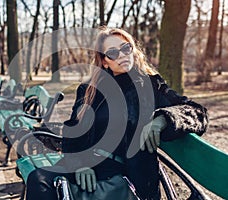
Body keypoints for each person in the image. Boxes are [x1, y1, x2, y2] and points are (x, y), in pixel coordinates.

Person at [26, 27, 208, 200]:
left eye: (125, 48)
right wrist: (79, 163)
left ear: (133, 49)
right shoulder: (89, 90)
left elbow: (197, 112)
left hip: (124, 172)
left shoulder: (150, 85)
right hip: (86, 164)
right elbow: (73, 130)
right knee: (39, 180)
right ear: (105, 61)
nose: (122, 55)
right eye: (113, 53)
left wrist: (163, 119)